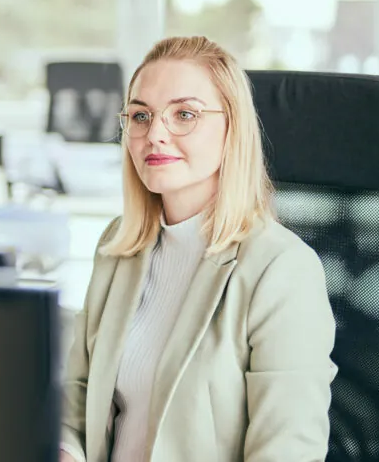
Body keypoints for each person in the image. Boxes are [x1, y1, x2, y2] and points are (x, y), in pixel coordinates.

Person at [59, 36, 336, 462]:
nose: (155, 134)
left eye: (184, 114)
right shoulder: (119, 247)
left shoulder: (281, 269)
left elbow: (287, 451)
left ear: (232, 129)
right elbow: (77, 397)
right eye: (140, 115)